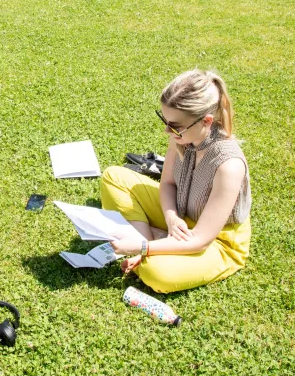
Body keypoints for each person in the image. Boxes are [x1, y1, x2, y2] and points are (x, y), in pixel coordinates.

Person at [101, 70, 251, 294]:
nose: (166, 130)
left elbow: (201, 240)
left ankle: (150, 243)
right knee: (113, 177)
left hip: (217, 241)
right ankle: (156, 239)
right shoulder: (182, 136)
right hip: (182, 216)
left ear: (206, 121)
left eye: (174, 125)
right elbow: (168, 184)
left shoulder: (229, 166)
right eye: (165, 121)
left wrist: (142, 247)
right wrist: (171, 218)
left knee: (157, 272)